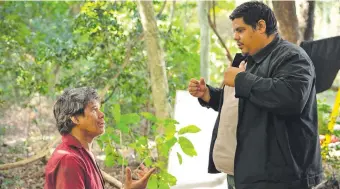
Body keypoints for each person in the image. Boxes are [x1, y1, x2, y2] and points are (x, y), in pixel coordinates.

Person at [188, 1, 322, 189]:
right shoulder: (246, 60)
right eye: (235, 31)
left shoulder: (292, 57)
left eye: (240, 30)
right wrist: (209, 95)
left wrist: (241, 80)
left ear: (260, 26)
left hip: (280, 180)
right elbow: (242, 104)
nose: (235, 37)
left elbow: (291, 98)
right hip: (242, 173)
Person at [44, 87, 155, 189]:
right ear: (75, 119)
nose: (102, 114)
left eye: (99, 109)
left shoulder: (82, 153)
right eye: (94, 109)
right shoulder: (68, 160)